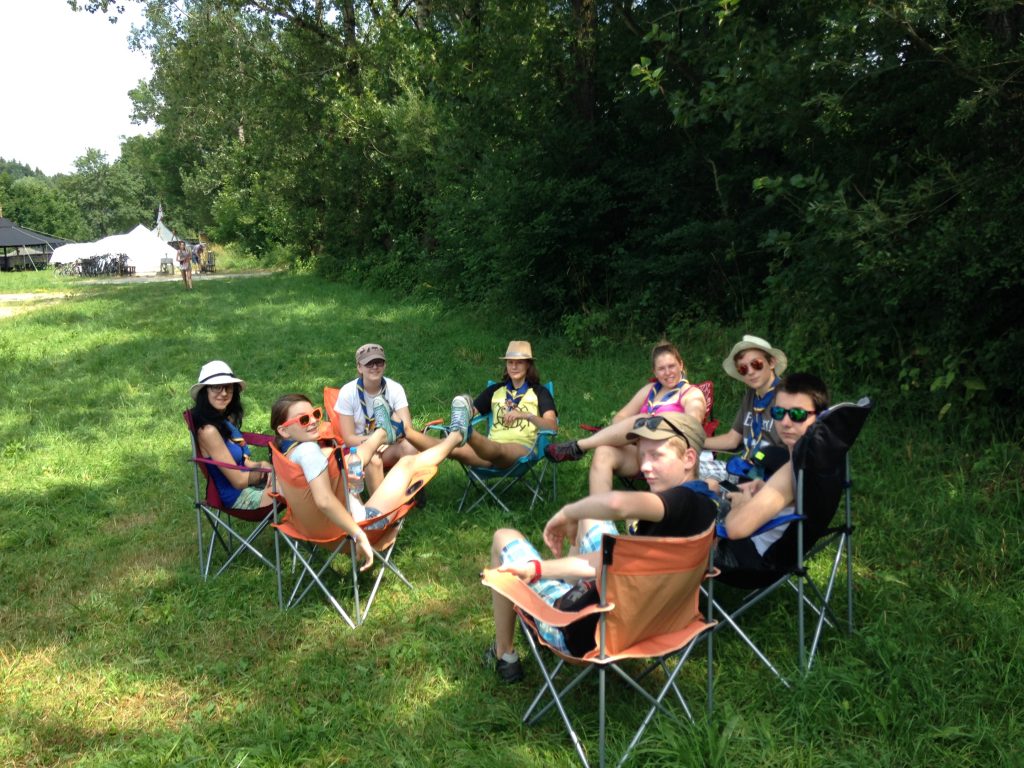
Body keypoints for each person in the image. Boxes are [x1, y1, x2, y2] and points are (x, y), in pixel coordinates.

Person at [485, 412, 718, 683]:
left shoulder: (680, 502)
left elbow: (618, 504)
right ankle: (561, 583)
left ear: (689, 459)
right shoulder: (705, 508)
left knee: (503, 536)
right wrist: (538, 569)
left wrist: (569, 512)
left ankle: (505, 655)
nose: (644, 466)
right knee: (593, 517)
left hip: (581, 631)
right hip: (655, 625)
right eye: (642, 456)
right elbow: (612, 562)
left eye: (656, 456)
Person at [271, 393, 466, 569]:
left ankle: (382, 433)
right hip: (356, 529)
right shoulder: (309, 452)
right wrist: (359, 534)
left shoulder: (285, 457)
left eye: (315, 414)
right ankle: (456, 437)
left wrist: (343, 484)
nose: (313, 421)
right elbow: (324, 501)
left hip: (316, 533)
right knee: (407, 463)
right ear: (284, 431)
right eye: (304, 420)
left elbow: (291, 493)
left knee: (348, 460)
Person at [544, 341, 707, 494]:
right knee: (603, 452)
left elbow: (692, 427)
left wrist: (653, 426)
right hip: (640, 451)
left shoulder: (690, 393)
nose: (668, 372)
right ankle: (598, 512)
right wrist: (631, 435)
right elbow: (620, 417)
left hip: (668, 454)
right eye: (661, 368)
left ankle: (579, 446)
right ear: (655, 372)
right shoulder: (650, 390)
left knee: (644, 420)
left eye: (671, 366)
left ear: (681, 365)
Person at [715, 373, 829, 573]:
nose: (785, 422)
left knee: (690, 508)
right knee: (712, 487)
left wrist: (741, 503)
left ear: (819, 417)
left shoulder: (793, 471)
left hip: (751, 560)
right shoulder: (821, 460)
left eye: (797, 414)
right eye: (778, 412)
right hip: (779, 551)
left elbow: (735, 529)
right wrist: (765, 489)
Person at [402, 340, 558, 470]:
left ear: (528, 365)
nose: (514, 366)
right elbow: (471, 412)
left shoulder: (540, 392)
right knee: (449, 447)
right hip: (488, 450)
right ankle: (404, 431)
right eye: (510, 362)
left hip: (522, 449)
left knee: (499, 449)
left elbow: (552, 427)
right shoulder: (495, 391)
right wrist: (465, 415)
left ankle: (467, 433)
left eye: (519, 363)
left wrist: (525, 415)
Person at [332, 343, 418, 495]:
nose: (375, 367)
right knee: (373, 460)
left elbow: (407, 428)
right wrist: (377, 440)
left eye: (379, 362)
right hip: (358, 448)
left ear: (385, 365)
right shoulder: (348, 392)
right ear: (359, 367)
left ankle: (410, 490)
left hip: (389, 445)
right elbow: (349, 438)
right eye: (369, 363)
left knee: (410, 447)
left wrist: (386, 440)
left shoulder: (395, 388)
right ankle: (381, 505)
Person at [702, 334, 789, 480]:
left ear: (771, 362)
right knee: (681, 465)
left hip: (771, 476)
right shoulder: (751, 395)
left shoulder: (787, 396)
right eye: (743, 369)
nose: (750, 372)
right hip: (744, 469)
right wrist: (691, 442)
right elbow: (732, 440)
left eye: (756, 364)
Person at [189, 360, 272, 509]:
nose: (224, 393)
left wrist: (261, 465)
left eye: (228, 387)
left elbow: (244, 463)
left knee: (300, 480)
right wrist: (266, 473)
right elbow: (238, 481)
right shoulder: (208, 431)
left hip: (250, 485)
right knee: (298, 488)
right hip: (239, 497)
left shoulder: (223, 421)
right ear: (204, 392)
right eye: (216, 387)